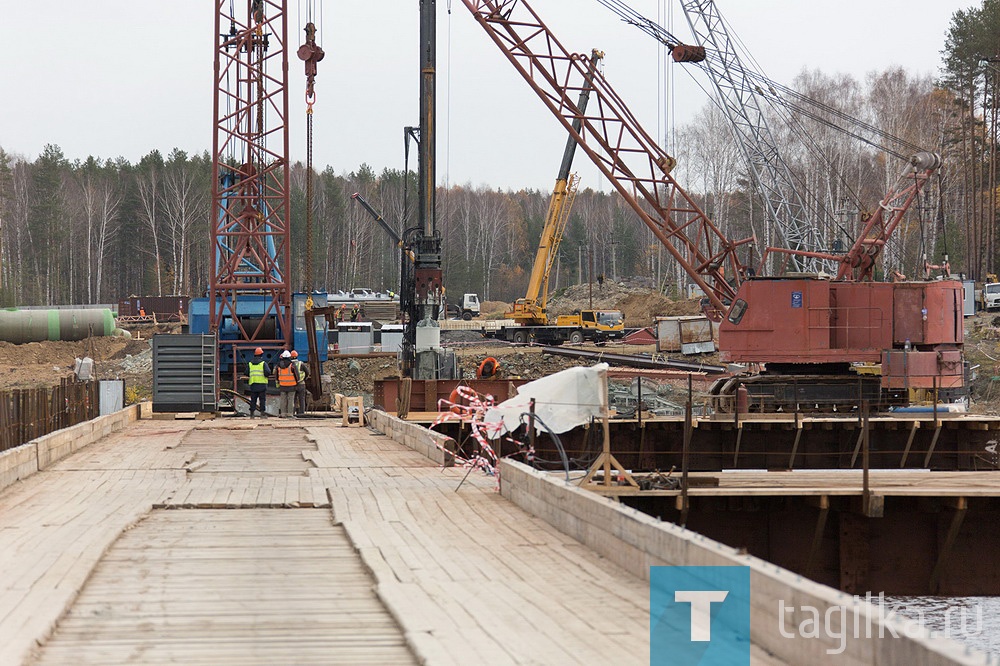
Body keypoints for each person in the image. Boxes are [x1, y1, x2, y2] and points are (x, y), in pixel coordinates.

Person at [272, 350, 300, 418]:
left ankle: (283, 414)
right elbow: (297, 375)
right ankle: (290, 414)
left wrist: (278, 382)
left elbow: (276, 375)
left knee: (283, 400)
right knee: (290, 400)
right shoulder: (292, 365)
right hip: (292, 385)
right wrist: (297, 381)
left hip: (282, 385)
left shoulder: (278, 365)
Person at [247, 348, 270, 418]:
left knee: (253, 399)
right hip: (262, 384)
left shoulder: (250, 364)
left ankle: (252, 414)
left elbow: (246, 372)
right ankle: (262, 413)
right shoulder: (263, 363)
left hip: (253, 384)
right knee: (262, 399)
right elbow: (268, 372)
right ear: (261, 354)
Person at [291, 350, 310, 416]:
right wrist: (304, 379)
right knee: (301, 399)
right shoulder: (301, 364)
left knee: (293, 399)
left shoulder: (289, 364)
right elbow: (307, 373)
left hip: (292, 384)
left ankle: (292, 412)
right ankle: (302, 413)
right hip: (301, 384)